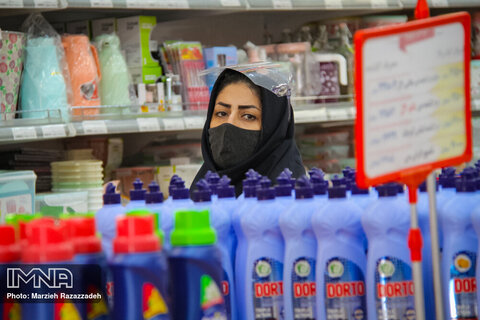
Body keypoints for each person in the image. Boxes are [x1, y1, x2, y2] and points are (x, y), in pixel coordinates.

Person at [191, 68, 305, 196]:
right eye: (221, 113)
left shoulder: (287, 195)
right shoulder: (203, 185)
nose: (229, 124)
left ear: (274, 128)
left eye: (248, 116)